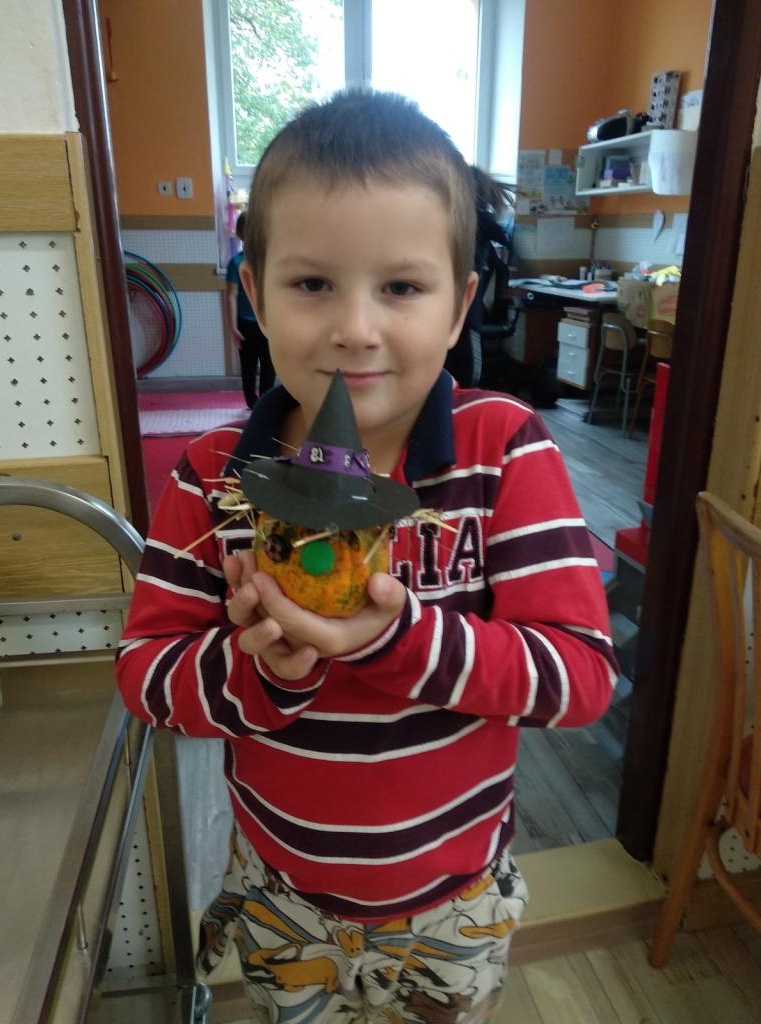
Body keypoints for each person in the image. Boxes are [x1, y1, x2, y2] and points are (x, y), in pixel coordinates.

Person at [117, 90, 618, 1023]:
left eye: (401, 287)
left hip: (456, 904)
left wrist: (396, 640)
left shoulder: (502, 452)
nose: (355, 327)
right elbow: (147, 676)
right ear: (253, 293)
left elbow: (579, 678)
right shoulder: (211, 478)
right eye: (312, 284)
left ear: (462, 302)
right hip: (282, 896)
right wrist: (265, 669)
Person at [444, 166, 515, 390]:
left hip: (458, 315)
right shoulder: (480, 223)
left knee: (457, 379)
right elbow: (505, 242)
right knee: (465, 381)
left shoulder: (470, 223)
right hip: (465, 317)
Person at [225, 210, 275, 407]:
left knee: (269, 365)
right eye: (248, 231)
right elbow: (231, 296)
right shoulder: (236, 262)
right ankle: (251, 402)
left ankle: (264, 402)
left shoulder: (268, 261)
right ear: (241, 234)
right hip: (245, 323)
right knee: (248, 365)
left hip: (267, 322)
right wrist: (232, 326)